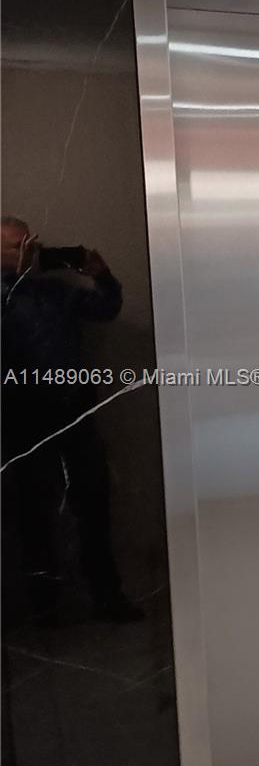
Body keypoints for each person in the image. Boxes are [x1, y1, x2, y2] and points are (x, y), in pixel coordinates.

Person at [1, 214, 141, 623]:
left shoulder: (56, 291)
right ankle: (44, 605)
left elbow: (106, 308)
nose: (27, 250)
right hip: (22, 420)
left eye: (30, 242)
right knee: (34, 514)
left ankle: (107, 597)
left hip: (75, 413)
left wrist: (103, 275)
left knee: (94, 508)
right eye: (15, 245)